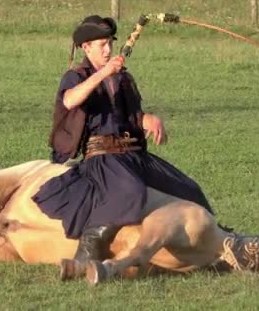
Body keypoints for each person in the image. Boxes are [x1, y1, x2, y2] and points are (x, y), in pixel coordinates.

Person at [32, 15, 214, 279]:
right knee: (131, 190)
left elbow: (130, 118)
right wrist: (104, 73)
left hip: (134, 154)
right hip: (103, 157)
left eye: (110, 44)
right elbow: (70, 101)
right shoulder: (75, 76)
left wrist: (147, 119)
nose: (108, 50)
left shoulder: (123, 78)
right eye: (102, 45)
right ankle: (86, 253)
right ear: (87, 48)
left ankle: (219, 241)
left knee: (186, 187)